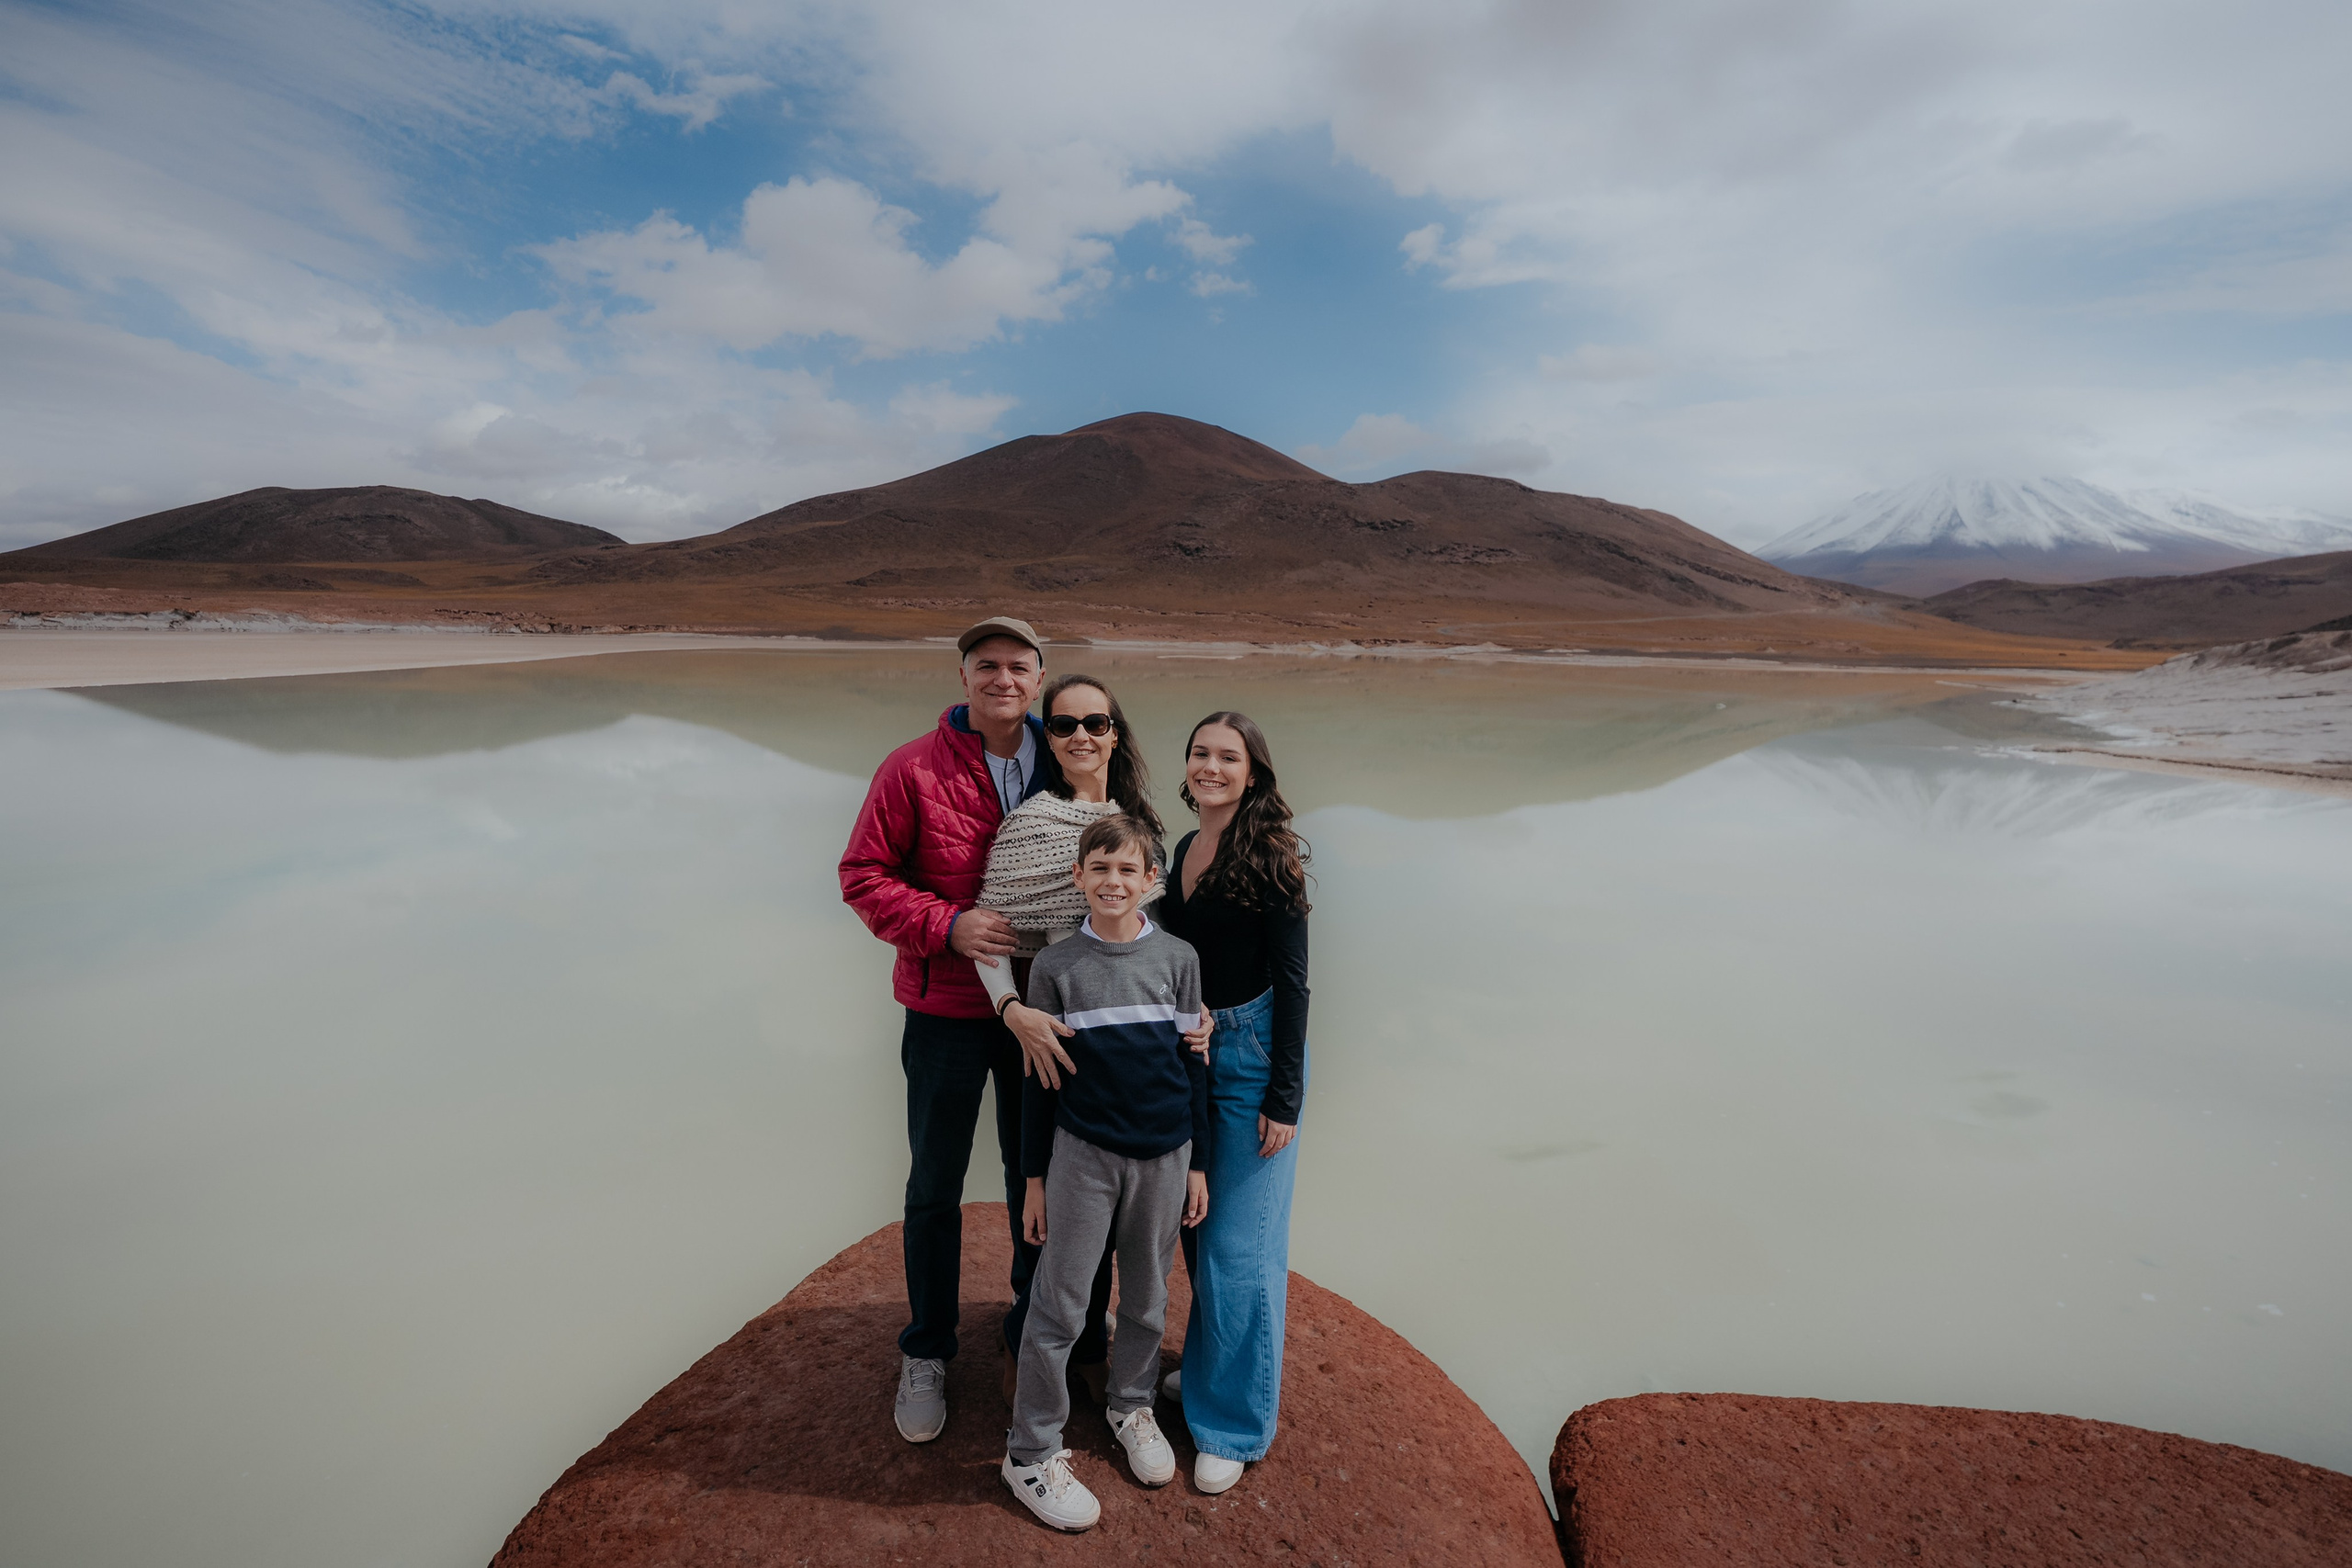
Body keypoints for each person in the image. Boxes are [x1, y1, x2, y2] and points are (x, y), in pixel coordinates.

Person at [838, 615, 1055, 1444]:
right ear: (963, 677)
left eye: (1019, 666)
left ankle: (1026, 1333)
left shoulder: (1067, 759)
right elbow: (863, 876)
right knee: (934, 1182)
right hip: (946, 1012)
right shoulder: (912, 768)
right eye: (987, 665)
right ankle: (926, 1346)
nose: (1004, 679)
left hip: (1038, 1014)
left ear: (1040, 677)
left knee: (1032, 1176)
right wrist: (946, 925)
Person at [1001, 814, 1209, 1532]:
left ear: (1151, 880)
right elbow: (1039, 1078)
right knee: (1058, 1304)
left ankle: (1131, 1405)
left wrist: (1200, 1163)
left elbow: (1194, 1066)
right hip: (1082, 1155)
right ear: (1078, 877)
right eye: (1101, 868)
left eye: (1130, 870)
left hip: (1165, 1154)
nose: (1114, 881)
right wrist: (1033, 1177)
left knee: (1149, 1298)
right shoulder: (1057, 966)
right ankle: (1030, 1449)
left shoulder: (1180, 958)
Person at [973, 673, 1168, 1403]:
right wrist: (1011, 1010)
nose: (1080, 735)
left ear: (1116, 731)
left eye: (1095, 721)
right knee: (1046, 1202)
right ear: (1046, 740)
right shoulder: (1030, 823)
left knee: (1112, 1208)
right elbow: (992, 932)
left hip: (1129, 1049)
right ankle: (1028, 1361)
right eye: (1062, 725)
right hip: (1050, 1039)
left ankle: (1087, 1349)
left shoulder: (1138, 823)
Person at [1157, 711, 1311, 1495]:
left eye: (1228, 756)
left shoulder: (1272, 854)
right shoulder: (1185, 847)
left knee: (1239, 1248)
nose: (1210, 766)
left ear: (1253, 772)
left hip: (1251, 1057)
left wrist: (1284, 1098)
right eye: (1199, 754)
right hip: (1198, 1053)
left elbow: (1294, 981)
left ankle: (1235, 1424)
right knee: (1199, 1224)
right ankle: (1214, 1369)